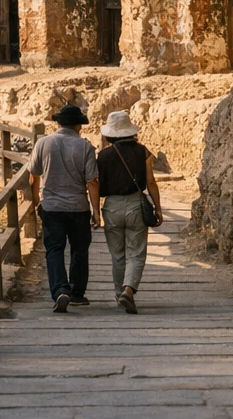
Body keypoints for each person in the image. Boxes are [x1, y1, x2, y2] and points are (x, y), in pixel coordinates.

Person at [28, 103, 100, 313]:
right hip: (78, 207)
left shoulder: (43, 143)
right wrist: (96, 211)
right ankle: (77, 293)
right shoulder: (85, 147)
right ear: (79, 126)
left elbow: (33, 175)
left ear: (58, 123)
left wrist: (35, 202)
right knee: (79, 249)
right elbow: (92, 181)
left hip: (51, 206)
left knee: (54, 249)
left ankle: (60, 290)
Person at [97, 110, 163, 314]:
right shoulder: (143, 151)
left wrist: (94, 211)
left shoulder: (103, 155)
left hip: (111, 206)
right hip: (135, 204)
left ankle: (119, 293)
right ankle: (129, 290)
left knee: (117, 254)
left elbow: (95, 182)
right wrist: (158, 207)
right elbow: (150, 181)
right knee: (136, 252)